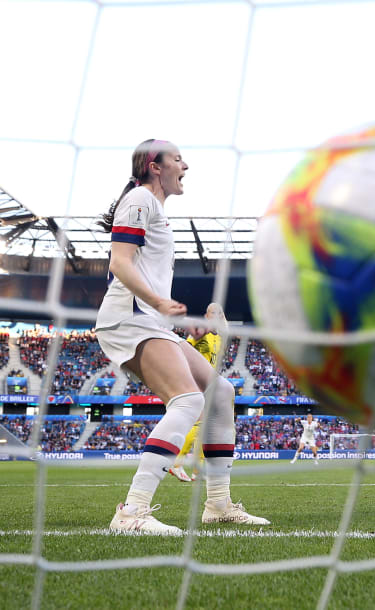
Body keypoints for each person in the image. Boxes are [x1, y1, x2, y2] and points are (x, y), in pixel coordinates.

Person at [95, 139, 267, 534]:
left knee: (220, 393)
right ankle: (131, 512)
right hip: (129, 319)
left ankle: (219, 505)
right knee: (188, 400)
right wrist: (159, 300)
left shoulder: (153, 208)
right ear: (155, 167)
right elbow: (119, 263)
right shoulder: (140, 198)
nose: (185, 165)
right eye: (177, 159)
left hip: (149, 322)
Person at [168, 302, 228, 483]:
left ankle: (197, 469)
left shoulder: (219, 338)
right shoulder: (201, 332)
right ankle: (177, 463)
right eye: (212, 313)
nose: (216, 315)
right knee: (200, 423)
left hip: (211, 383)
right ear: (206, 315)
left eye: (219, 312)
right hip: (197, 381)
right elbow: (182, 349)